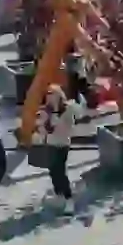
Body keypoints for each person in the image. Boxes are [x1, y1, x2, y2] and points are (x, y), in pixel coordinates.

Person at [34, 84, 82, 214]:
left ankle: (69, 199)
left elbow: (70, 127)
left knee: (60, 172)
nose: (49, 96)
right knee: (53, 171)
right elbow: (42, 129)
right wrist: (42, 125)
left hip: (62, 144)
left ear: (59, 95)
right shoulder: (46, 110)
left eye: (52, 93)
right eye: (48, 94)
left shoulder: (67, 109)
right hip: (50, 144)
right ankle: (59, 194)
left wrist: (56, 119)